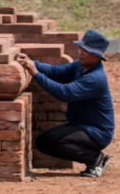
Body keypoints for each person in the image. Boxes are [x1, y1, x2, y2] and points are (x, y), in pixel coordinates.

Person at [16, 29, 115, 178]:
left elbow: (64, 92)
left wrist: (35, 73)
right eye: (81, 48)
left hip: (97, 132)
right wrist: (31, 63)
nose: (81, 53)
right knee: (43, 142)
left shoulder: (95, 78)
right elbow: (56, 71)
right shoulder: (79, 66)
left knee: (55, 139)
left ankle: (95, 159)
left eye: (86, 50)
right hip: (81, 126)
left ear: (97, 56)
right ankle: (94, 158)